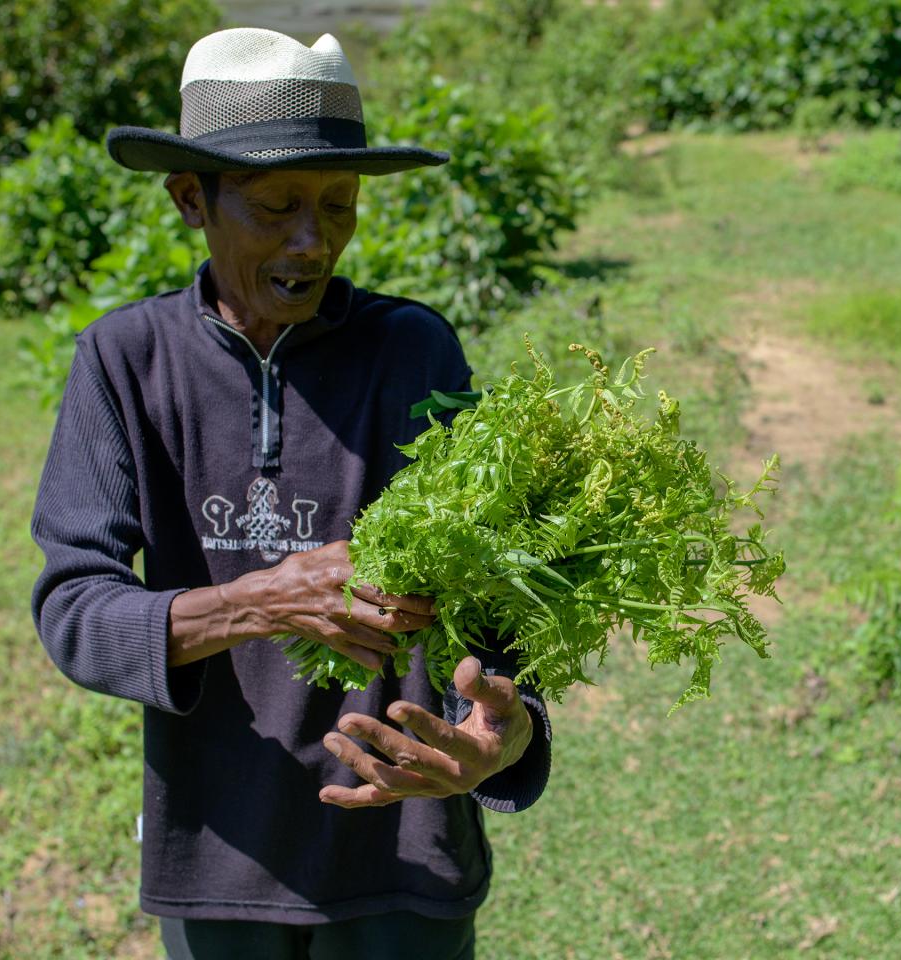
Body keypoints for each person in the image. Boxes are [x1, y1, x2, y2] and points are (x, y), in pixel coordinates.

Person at [28, 27, 552, 960]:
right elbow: (75, 612)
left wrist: (499, 737)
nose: (313, 242)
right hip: (219, 856)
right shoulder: (126, 363)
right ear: (192, 198)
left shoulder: (412, 351)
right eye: (275, 208)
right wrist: (258, 600)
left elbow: (497, 598)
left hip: (405, 850)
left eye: (338, 205)